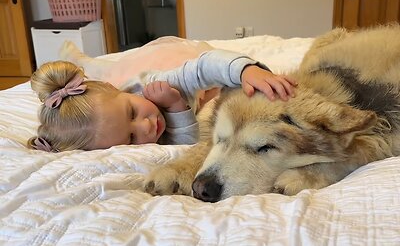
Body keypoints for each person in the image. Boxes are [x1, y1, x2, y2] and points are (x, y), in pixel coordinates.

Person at [28, 49, 296, 152]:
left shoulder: (152, 86)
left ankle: (89, 63)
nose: (144, 127)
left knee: (208, 72)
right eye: (131, 138)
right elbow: (188, 148)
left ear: (118, 90)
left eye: (132, 112)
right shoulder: (128, 145)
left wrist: (247, 70)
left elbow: (203, 68)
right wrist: (177, 108)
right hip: (190, 101)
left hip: (170, 62)